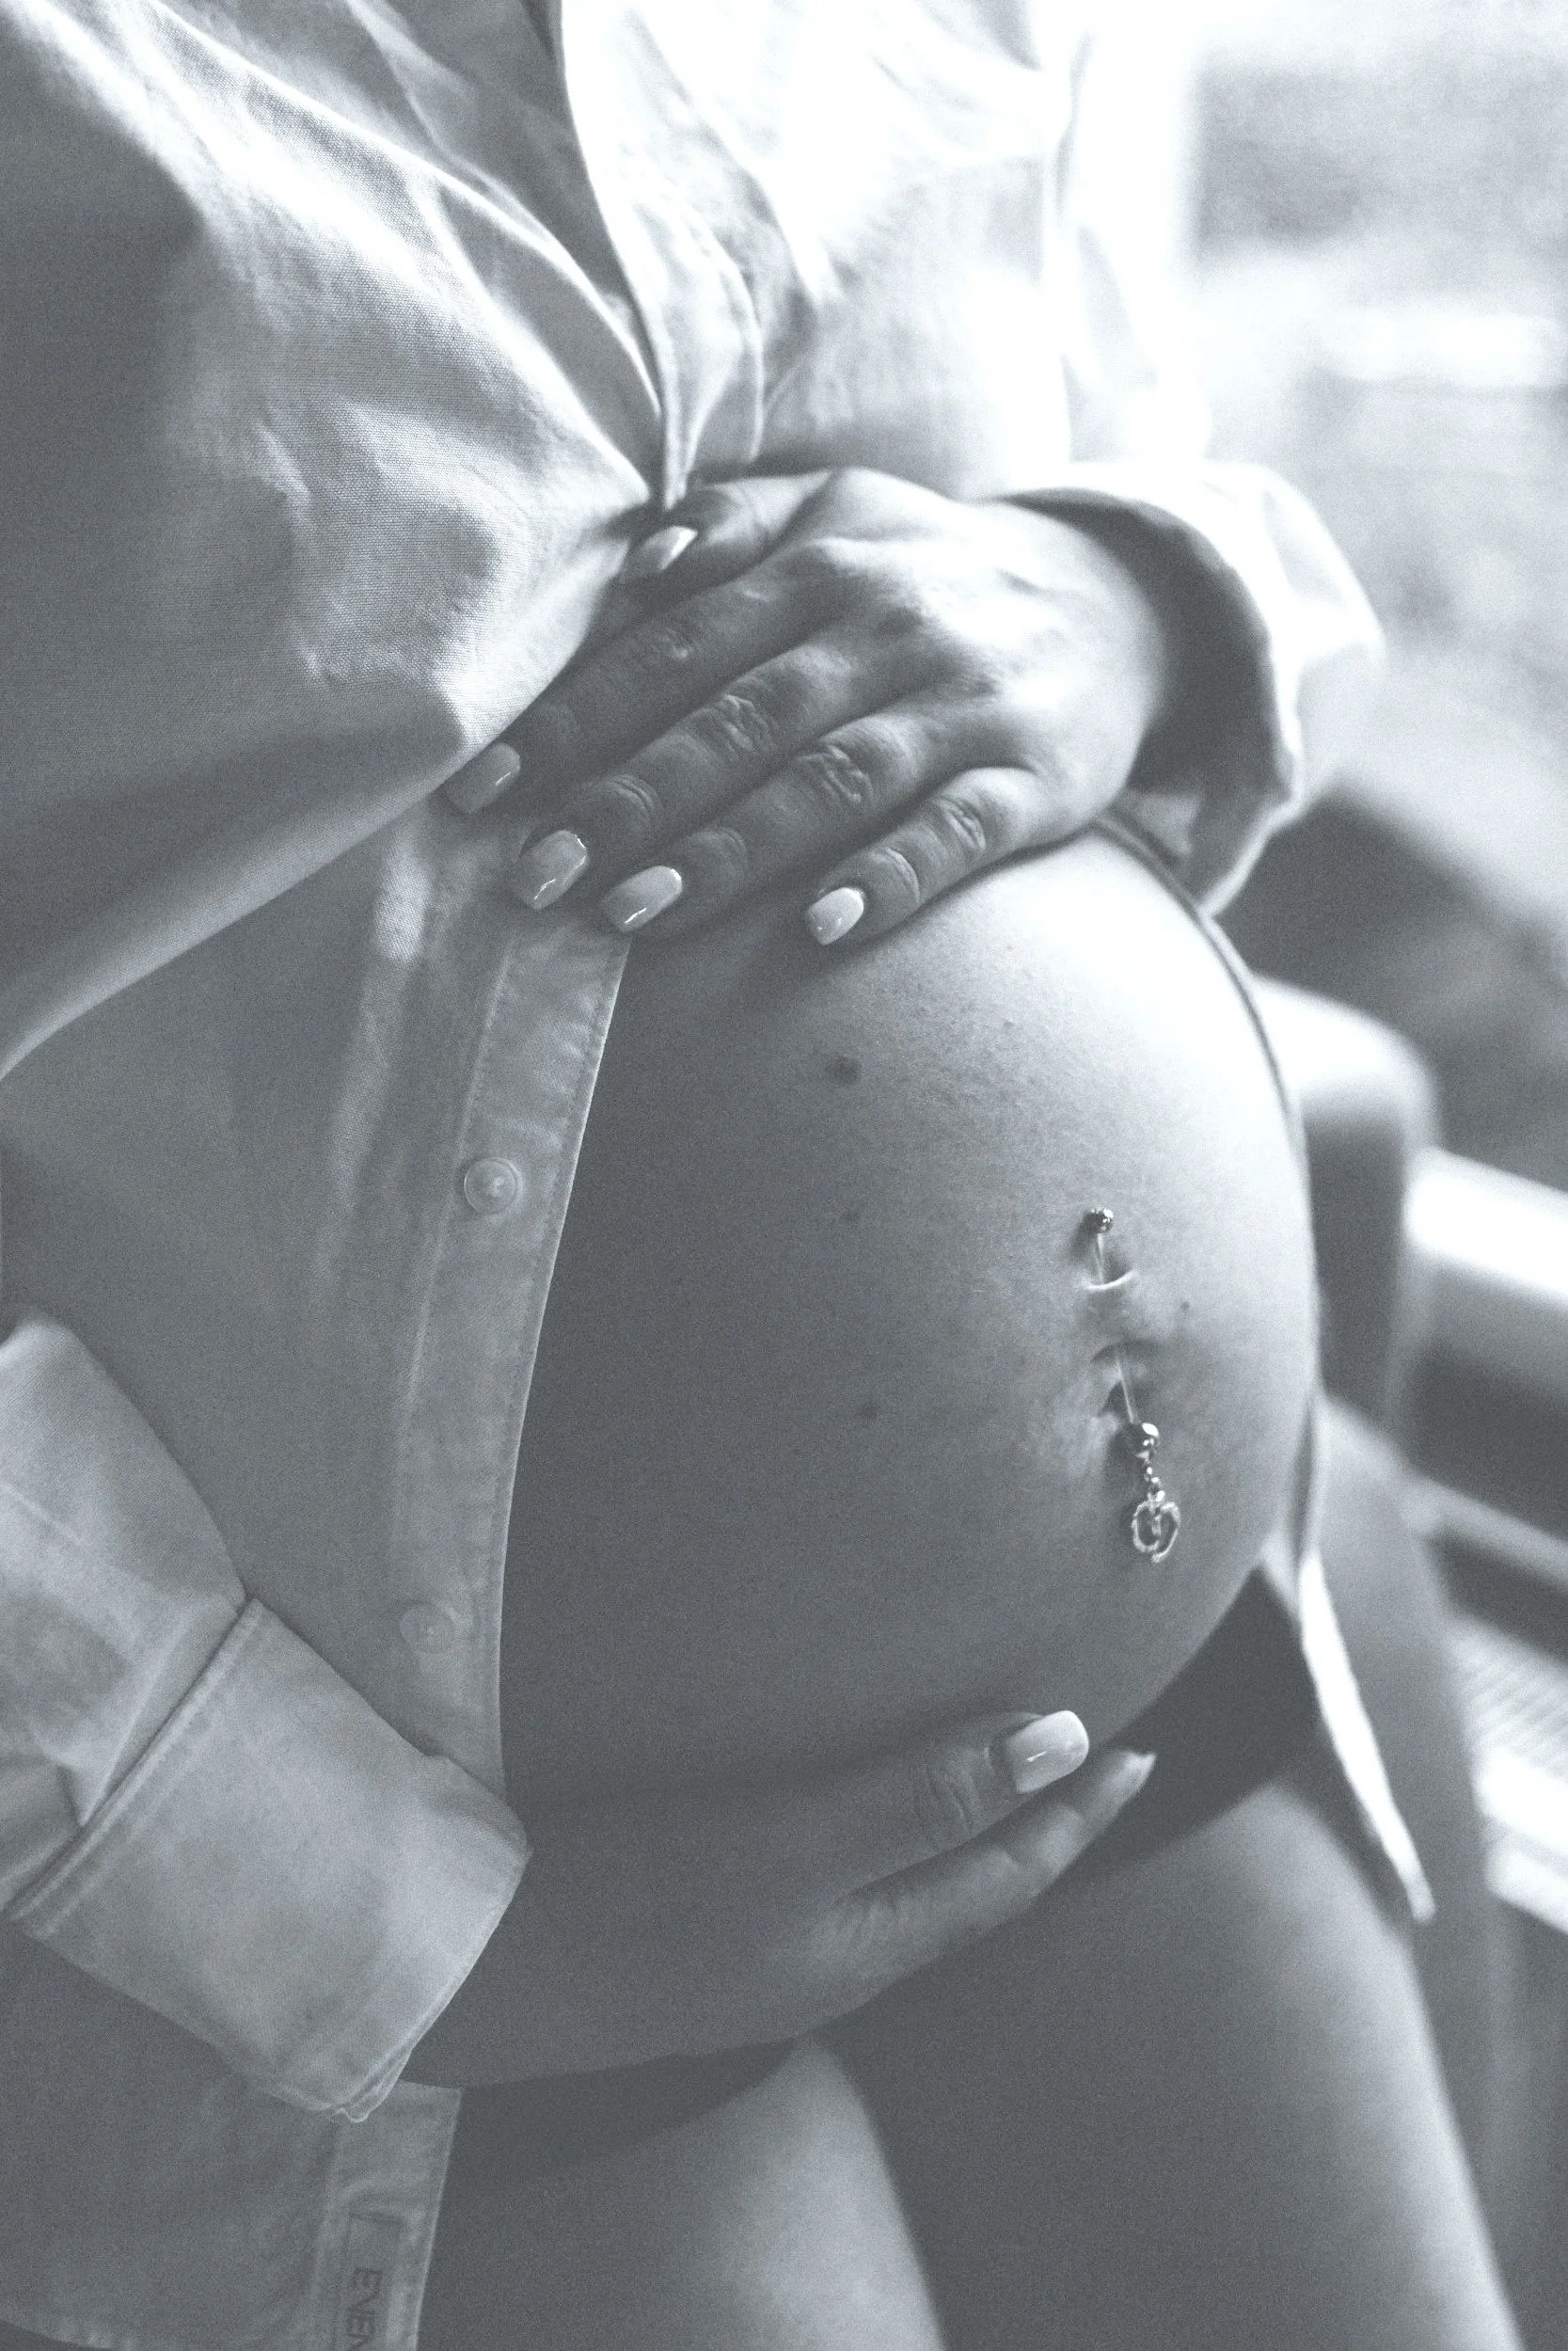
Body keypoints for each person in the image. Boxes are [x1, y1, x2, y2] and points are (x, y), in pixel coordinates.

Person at [0, 1, 1513, 2345]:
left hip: (1120, 1707)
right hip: (413, 1885)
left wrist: (1129, 596)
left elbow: (1132, 465)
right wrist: (347, 1905)